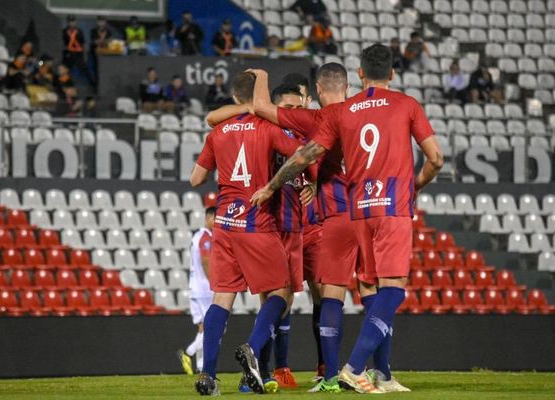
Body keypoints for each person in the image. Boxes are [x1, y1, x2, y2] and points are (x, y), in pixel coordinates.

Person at [251, 44, 444, 393]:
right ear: (393, 73)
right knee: (390, 289)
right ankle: (358, 369)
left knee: (344, 292)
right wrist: (415, 186)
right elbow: (437, 159)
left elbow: (304, 153)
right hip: (390, 207)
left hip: (355, 212)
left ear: (360, 74)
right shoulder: (405, 105)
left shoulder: (341, 113)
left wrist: (272, 185)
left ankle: (360, 376)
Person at [206, 67, 347, 389]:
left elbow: (319, 160)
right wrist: (249, 107)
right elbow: (213, 118)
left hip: (309, 226)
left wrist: (312, 179)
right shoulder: (271, 126)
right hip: (274, 223)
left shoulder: (318, 124)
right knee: (276, 300)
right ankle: (266, 370)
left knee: (318, 296)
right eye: (287, 108)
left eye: (298, 107)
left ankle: (323, 367)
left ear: (308, 101)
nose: (293, 113)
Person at [190, 72, 307, 396]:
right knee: (281, 293)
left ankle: (208, 376)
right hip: (256, 220)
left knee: (221, 299)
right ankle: (253, 348)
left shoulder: (218, 132)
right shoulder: (267, 128)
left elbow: (196, 178)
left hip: (225, 223)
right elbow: (301, 155)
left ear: (232, 97)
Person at [178, 206, 216, 376]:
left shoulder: (197, 236)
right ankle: (189, 353)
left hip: (195, 287)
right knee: (215, 327)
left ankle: (201, 366)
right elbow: (206, 261)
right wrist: (213, 282)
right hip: (204, 289)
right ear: (209, 218)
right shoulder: (206, 237)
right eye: (216, 218)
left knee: (203, 327)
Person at [62, 15, 95, 85]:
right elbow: (63, 43)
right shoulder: (64, 31)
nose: (71, 23)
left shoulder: (79, 31)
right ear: (67, 22)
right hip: (69, 53)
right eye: (70, 22)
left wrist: (85, 55)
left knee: (85, 69)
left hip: (78, 53)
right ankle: (65, 83)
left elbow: (83, 44)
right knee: (66, 70)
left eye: (73, 21)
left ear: (75, 22)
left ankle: (93, 84)